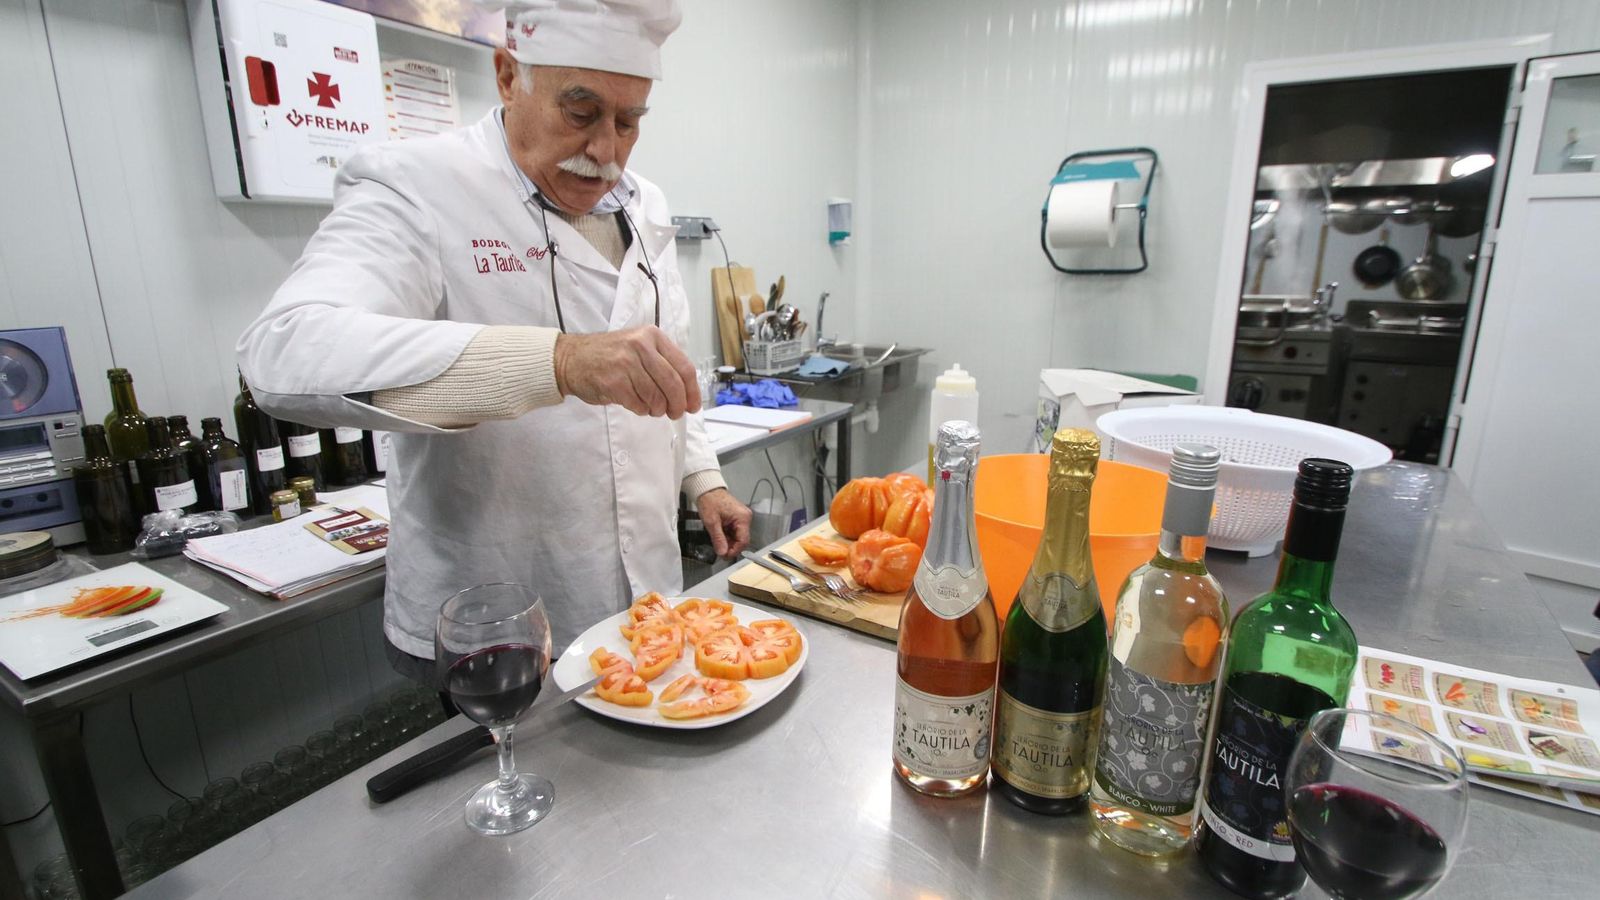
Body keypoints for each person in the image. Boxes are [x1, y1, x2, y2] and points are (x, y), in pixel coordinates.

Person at [236, 0, 750, 677]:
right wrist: (558, 362)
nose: (606, 152)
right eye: (581, 112)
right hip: (496, 615)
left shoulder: (644, 206)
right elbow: (281, 350)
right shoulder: (416, 185)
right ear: (509, 76)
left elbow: (663, 363)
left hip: (643, 603)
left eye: (629, 122)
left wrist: (702, 478)